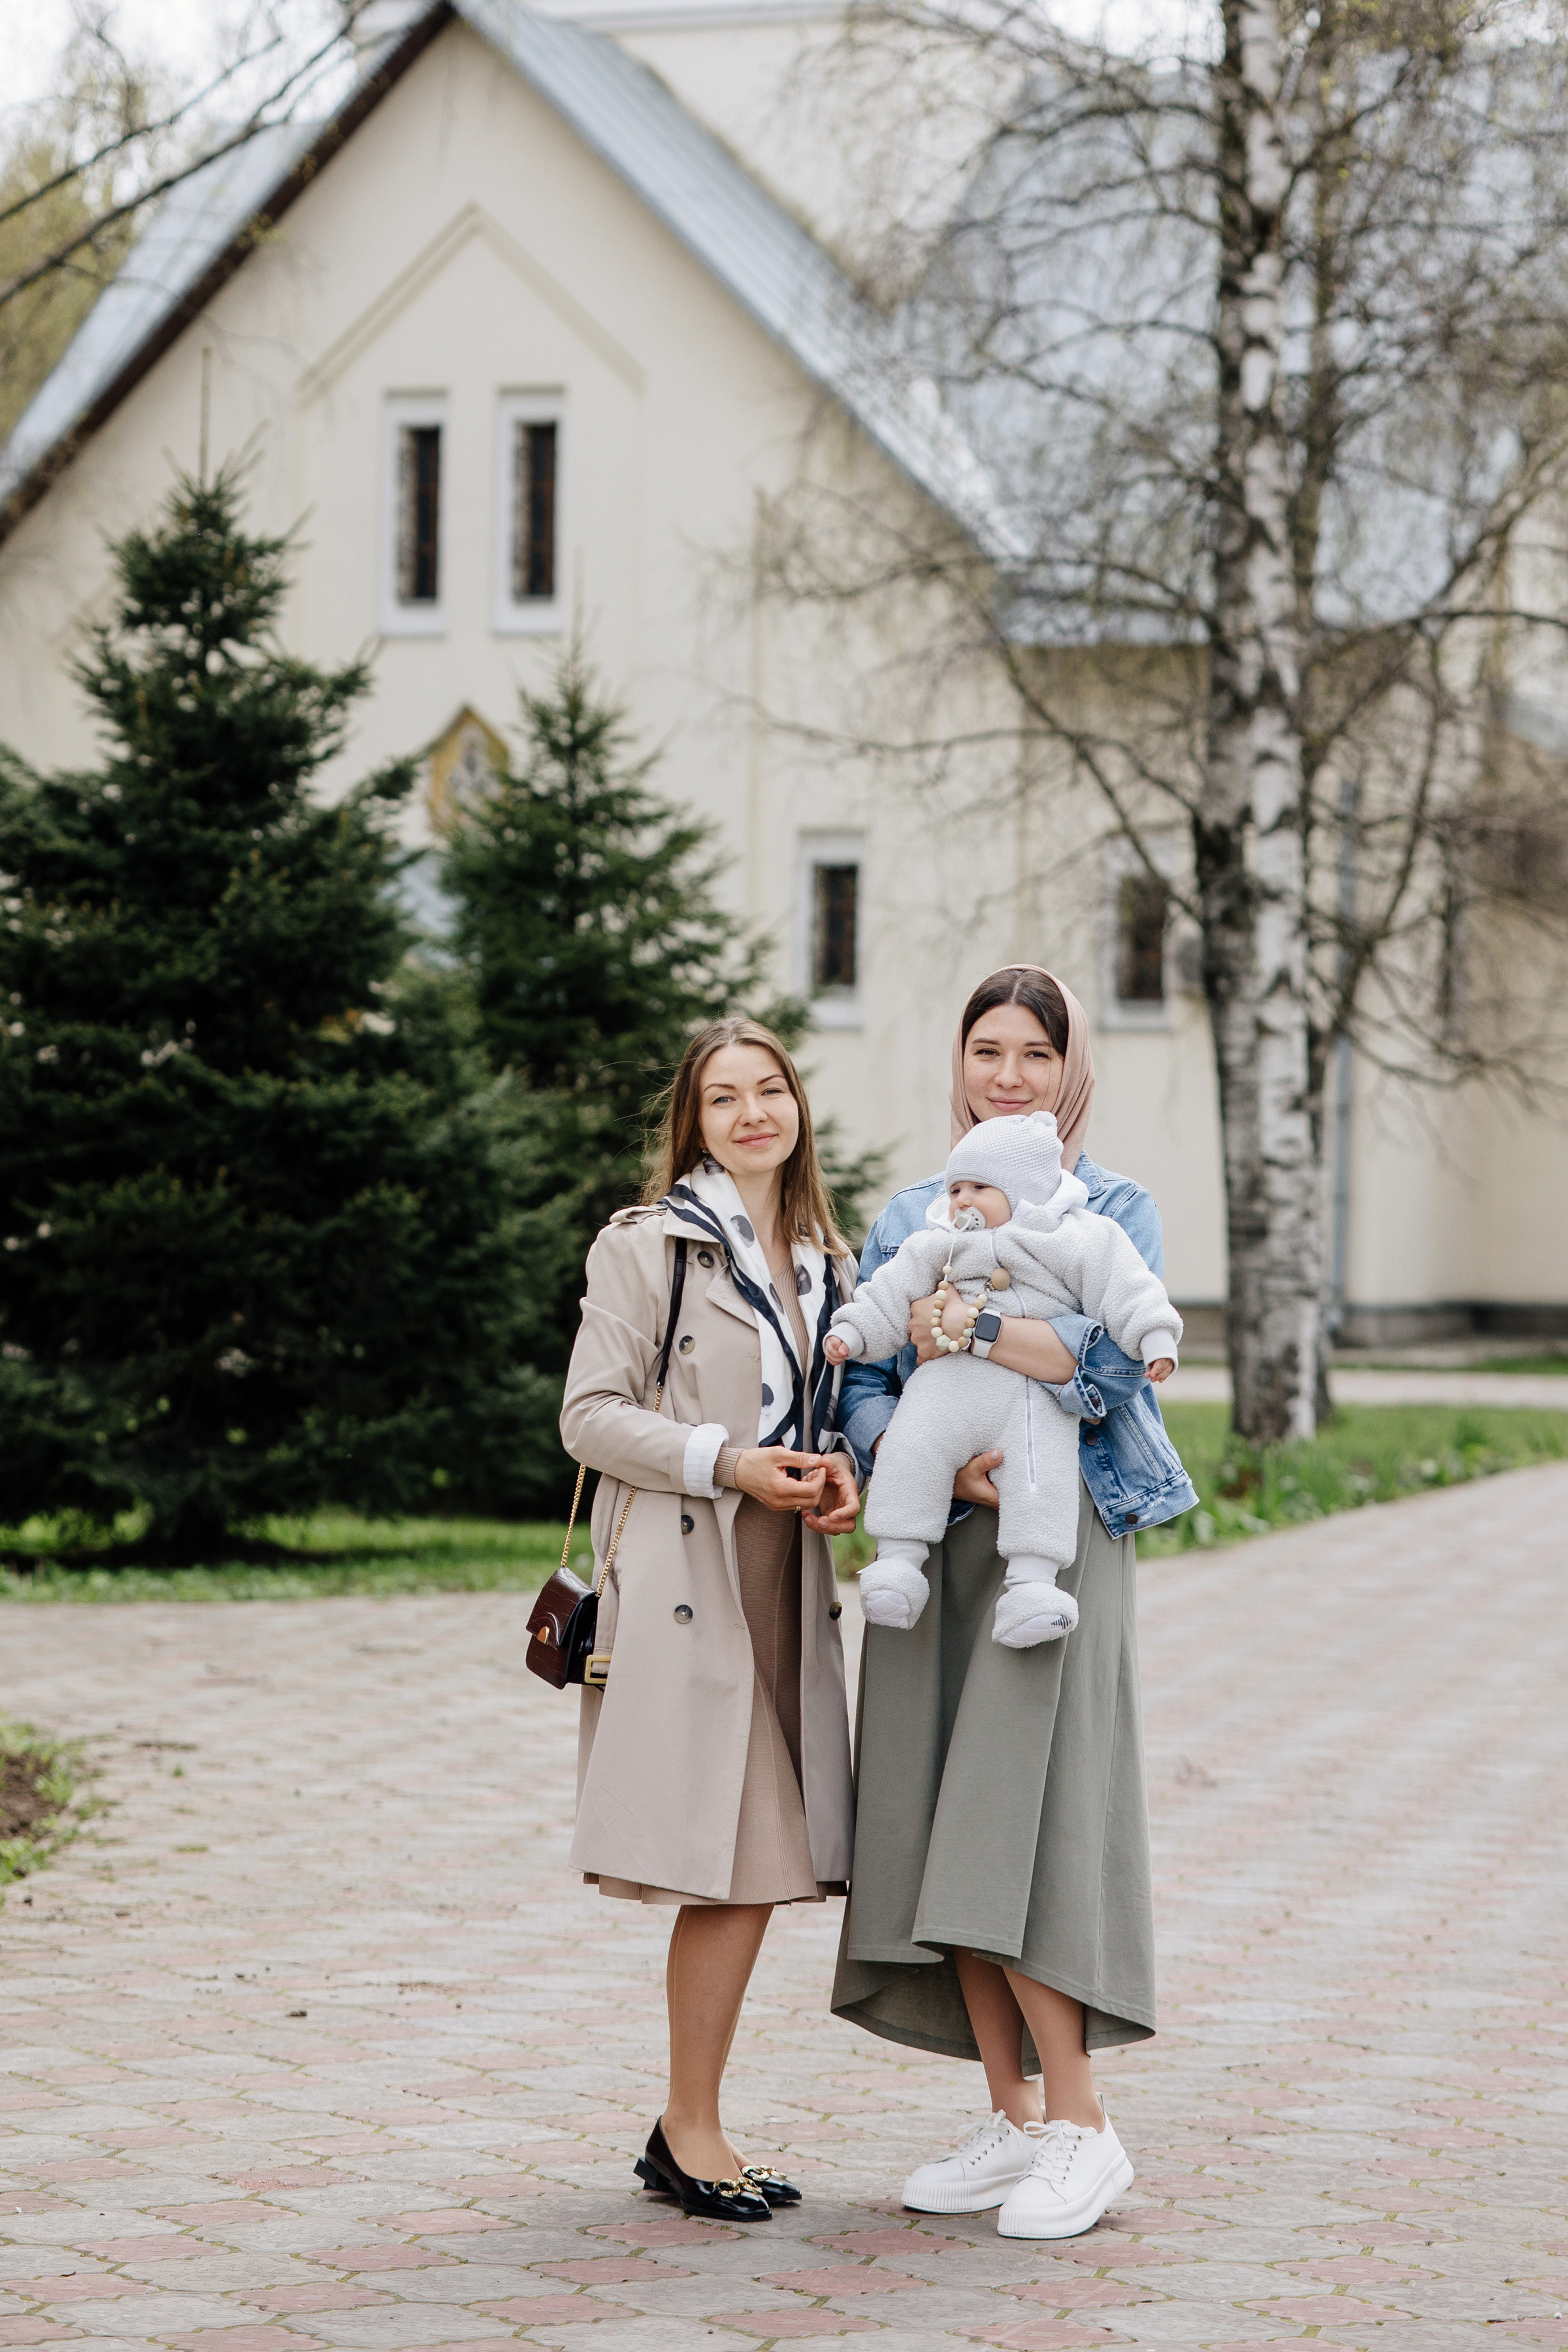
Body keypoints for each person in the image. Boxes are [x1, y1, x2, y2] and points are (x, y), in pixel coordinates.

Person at [832, 965, 1198, 2242]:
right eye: (986, 1048)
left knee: (1023, 1816)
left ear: (1070, 1068)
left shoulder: (1116, 1209)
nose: (1007, 1072)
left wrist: (971, 1333)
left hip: (1063, 1541)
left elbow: (1108, 1370)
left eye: (1034, 1052)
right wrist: (929, 1424)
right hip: (938, 1542)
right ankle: (1017, 2119)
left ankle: (1087, 2127)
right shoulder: (910, 1211)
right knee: (948, 1816)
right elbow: (867, 1385)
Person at [561, 1016, 862, 2225]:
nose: (752, 1113)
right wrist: (725, 1461)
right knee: (729, 1865)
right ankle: (690, 2129)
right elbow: (588, 1416)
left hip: (783, 1568)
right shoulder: (651, 1247)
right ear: (693, 1122)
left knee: (757, 1865)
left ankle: (688, 2122)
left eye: (771, 1089)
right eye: (725, 1096)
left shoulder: (822, 1254)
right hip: (696, 1569)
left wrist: (837, 1470)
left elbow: (818, 1408)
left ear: (796, 1108)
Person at [825, 1110, 1181, 1646]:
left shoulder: (1076, 1236)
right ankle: (897, 1563)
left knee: (1042, 1474)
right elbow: (889, 1294)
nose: (962, 1200)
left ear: (1025, 1191)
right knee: (910, 1448)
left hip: (1029, 1399)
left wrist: (1155, 1337)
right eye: (956, 1188)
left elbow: (1127, 1288)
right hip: (943, 1390)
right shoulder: (935, 1243)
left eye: (980, 1187)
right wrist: (852, 1333)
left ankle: (1033, 1585)